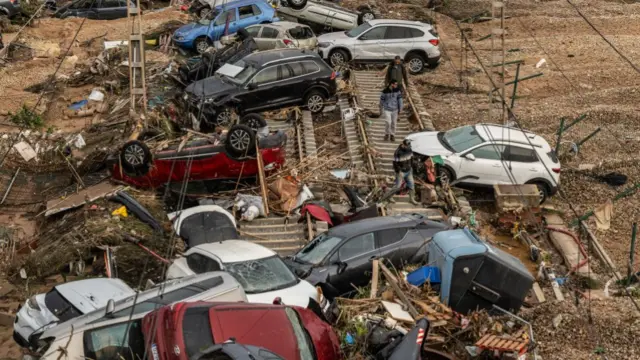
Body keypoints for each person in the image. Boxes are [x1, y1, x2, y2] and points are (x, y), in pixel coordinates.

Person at [390, 139, 418, 205]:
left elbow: (411, 159)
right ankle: (390, 196)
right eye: (407, 146)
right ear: (403, 144)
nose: (408, 147)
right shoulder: (397, 152)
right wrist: (398, 171)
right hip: (401, 172)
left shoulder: (409, 150)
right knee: (398, 186)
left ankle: (411, 199)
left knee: (411, 185)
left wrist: (411, 167)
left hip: (409, 170)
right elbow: (395, 163)